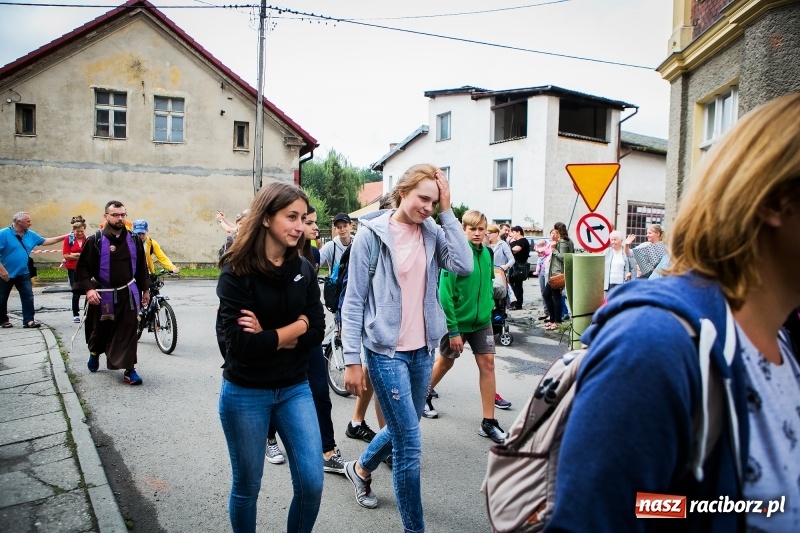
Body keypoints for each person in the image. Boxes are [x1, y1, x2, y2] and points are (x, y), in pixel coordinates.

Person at [546, 93, 800, 532]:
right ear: (775, 202)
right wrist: (713, 509)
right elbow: (623, 510)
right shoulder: (655, 343)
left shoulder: (782, 342)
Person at [340, 164, 472, 532]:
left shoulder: (432, 231)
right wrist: (352, 359)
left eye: (434, 200)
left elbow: (462, 264)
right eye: (422, 199)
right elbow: (353, 302)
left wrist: (448, 212)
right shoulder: (371, 235)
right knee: (410, 445)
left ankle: (360, 467)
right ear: (402, 193)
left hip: (422, 350)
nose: (428, 207)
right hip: (386, 352)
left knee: (406, 424)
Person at [216, 182, 325, 533]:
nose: (299, 226)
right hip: (246, 392)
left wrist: (272, 335)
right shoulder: (236, 270)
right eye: (291, 217)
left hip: (294, 388)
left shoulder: (303, 268)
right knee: (247, 487)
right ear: (265, 218)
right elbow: (240, 345)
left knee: (312, 484)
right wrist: (297, 327)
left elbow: (317, 332)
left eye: (303, 218)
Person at [423, 210, 507, 443]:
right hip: (457, 322)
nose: (477, 233)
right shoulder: (456, 255)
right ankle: (423, 395)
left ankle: (488, 422)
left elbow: (489, 282)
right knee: (446, 362)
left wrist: (489, 305)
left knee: (488, 365)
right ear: (463, 230)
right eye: (472, 229)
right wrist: (453, 330)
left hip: (482, 322)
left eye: (481, 229)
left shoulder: (487, 254)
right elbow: (444, 294)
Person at [73, 201, 151, 385]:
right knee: (101, 331)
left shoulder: (133, 239)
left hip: (128, 293)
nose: (120, 218)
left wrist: (145, 289)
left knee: (129, 330)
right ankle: (94, 352)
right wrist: (89, 289)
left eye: (123, 214)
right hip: (102, 294)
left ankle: (129, 369)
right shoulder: (96, 240)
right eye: (115, 215)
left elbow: (141, 268)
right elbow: (82, 268)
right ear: (106, 216)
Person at [299, 205, 347, 475]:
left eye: (314, 222)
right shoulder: (277, 254)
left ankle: (328, 450)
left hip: (311, 337)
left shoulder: (314, 253)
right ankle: (271, 439)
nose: (315, 228)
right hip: (284, 340)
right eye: (309, 222)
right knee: (277, 393)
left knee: (321, 393)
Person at [0, 211, 68, 329]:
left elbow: (46, 241)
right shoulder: (4, 234)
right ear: (19, 222)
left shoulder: (30, 234)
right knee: (2, 297)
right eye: (28, 221)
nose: (30, 223)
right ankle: (3, 320)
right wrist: (2, 270)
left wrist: (65, 236)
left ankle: (29, 320)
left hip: (23, 272)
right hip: (5, 272)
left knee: (28, 296)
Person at [542, 222, 574, 331]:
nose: (553, 233)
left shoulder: (563, 242)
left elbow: (564, 257)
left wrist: (553, 250)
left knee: (555, 297)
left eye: (555, 231)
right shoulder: (564, 241)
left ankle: (556, 321)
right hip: (555, 273)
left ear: (558, 231)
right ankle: (553, 319)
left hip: (557, 273)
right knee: (547, 295)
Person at [63, 216, 88, 323]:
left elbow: (88, 255)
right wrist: (79, 255)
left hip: (84, 269)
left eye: (81, 231)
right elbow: (66, 255)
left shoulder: (86, 239)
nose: (79, 233)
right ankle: (75, 314)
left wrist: (76, 254)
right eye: (77, 231)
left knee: (88, 290)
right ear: (73, 230)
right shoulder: (68, 239)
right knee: (76, 290)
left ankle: (87, 312)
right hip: (72, 269)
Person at [602, 230, 632, 294]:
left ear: (621, 241)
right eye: (611, 240)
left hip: (622, 284)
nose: (613, 242)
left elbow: (632, 267)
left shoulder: (625, 252)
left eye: (615, 240)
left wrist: (630, 274)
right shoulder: (607, 251)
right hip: (608, 284)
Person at [507, 225, 530, 309]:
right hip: (514, 266)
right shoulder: (516, 241)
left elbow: (515, 250)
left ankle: (518, 304)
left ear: (518, 232)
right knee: (513, 284)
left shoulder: (523, 241)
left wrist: (510, 242)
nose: (512, 234)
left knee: (518, 286)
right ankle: (513, 303)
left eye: (513, 232)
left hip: (520, 266)